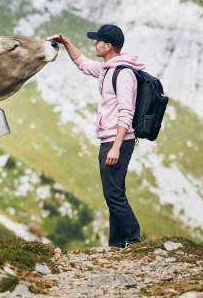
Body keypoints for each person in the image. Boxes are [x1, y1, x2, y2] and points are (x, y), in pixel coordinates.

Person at [46, 24, 145, 248]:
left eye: (98, 41)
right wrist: (65, 42)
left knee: (113, 195)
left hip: (117, 140)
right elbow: (83, 64)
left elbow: (126, 111)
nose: (95, 44)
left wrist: (116, 146)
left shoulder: (123, 74)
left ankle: (135, 239)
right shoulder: (108, 69)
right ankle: (117, 244)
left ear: (108, 45)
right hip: (110, 139)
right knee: (114, 193)